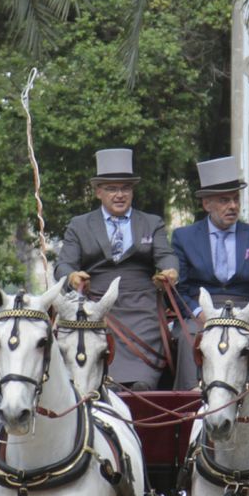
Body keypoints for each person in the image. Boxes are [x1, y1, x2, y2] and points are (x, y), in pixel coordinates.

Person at [55, 148, 179, 392]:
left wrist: (170, 271)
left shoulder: (151, 223)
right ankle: (100, 388)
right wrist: (72, 276)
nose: (120, 195)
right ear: (98, 192)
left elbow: (166, 255)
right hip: (95, 305)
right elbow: (63, 264)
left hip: (142, 304)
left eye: (126, 188)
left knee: (147, 364)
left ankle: (143, 389)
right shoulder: (79, 225)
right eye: (112, 189)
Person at [171, 156, 249, 390]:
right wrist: (198, 313)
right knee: (188, 338)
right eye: (224, 200)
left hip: (246, 312)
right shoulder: (183, 237)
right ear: (207, 204)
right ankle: (191, 399)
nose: (233, 206)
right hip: (202, 314)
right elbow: (178, 289)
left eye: (235, 199)